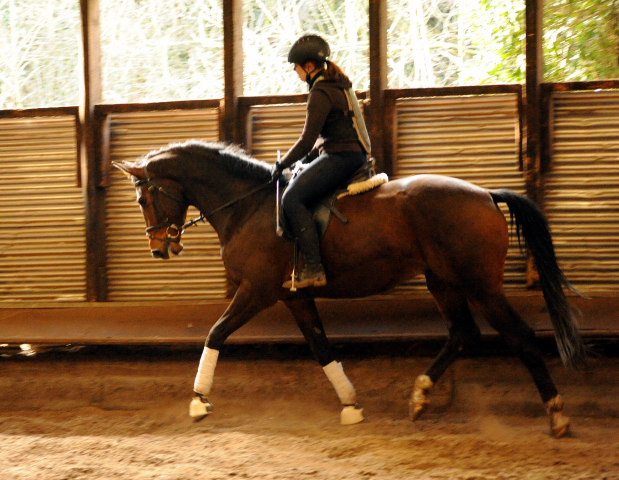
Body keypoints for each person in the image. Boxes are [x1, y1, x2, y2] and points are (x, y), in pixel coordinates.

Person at [273, 34, 371, 289]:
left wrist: (282, 164)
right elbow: (325, 136)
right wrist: (303, 161)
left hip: (342, 157)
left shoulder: (320, 91)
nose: (296, 73)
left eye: (296, 68)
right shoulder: (337, 84)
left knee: (291, 198)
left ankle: (314, 269)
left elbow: (307, 139)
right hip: (347, 153)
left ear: (308, 66)